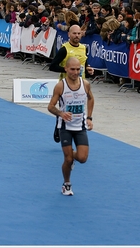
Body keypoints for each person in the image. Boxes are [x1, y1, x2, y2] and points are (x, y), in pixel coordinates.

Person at [47, 57, 94, 196]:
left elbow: (91, 98)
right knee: (67, 159)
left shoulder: (85, 84)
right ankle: (66, 184)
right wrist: (60, 113)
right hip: (65, 127)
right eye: (72, 69)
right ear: (66, 69)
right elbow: (50, 106)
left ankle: (72, 155)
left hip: (80, 127)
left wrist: (90, 118)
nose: (75, 72)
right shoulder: (61, 86)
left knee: (82, 158)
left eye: (78, 69)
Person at [49, 25, 94, 143]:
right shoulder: (64, 49)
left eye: (79, 34)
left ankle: (78, 131)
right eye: (74, 33)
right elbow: (52, 66)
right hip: (65, 85)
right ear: (69, 34)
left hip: (81, 85)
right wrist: (66, 70)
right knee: (64, 108)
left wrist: (88, 69)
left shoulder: (84, 48)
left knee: (78, 108)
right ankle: (59, 127)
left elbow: (84, 63)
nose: (77, 36)